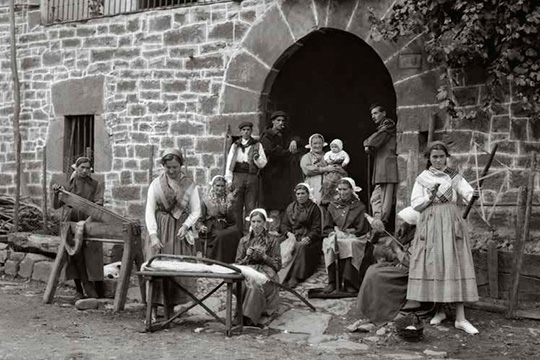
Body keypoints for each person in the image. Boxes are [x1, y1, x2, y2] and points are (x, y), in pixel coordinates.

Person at [407, 141, 479, 335]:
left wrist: (473, 194)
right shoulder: (423, 179)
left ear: (446, 157)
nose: (438, 160)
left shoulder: (454, 176)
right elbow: (415, 204)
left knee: (455, 263)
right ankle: (439, 310)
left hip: (451, 224)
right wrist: (429, 198)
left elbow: (467, 192)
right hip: (430, 224)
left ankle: (460, 318)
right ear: (429, 159)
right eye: (434, 157)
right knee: (436, 264)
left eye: (441, 156)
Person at [145, 148, 201, 316]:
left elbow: (196, 210)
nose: (171, 171)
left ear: (181, 166)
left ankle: (171, 311)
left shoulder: (189, 185)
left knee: (176, 269)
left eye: (175, 167)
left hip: (179, 233)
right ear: (163, 166)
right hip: (161, 231)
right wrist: (153, 235)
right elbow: (149, 210)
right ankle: (152, 310)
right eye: (168, 167)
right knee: (156, 269)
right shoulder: (156, 184)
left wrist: (186, 225)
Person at [52, 156, 104, 299]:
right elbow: (56, 206)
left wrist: (87, 221)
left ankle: (97, 288)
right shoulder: (69, 185)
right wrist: (56, 194)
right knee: (74, 256)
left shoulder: (96, 184)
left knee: (92, 256)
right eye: (82, 167)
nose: (85, 170)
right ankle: (79, 289)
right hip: (72, 223)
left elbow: (99, 204)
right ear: (77, 168)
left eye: (88, 168)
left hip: (90, 223)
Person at [356, 207, 418, 325]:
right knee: (372, 269)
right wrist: (387, 251)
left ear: (410, 224)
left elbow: (411, 262)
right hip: (399, 266)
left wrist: (396, 249)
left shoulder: (416, 239)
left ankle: (381, 311)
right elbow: (393, 254)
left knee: (375, 274)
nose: (399, 223)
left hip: (407, 274)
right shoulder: (403, 233)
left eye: (402, 221)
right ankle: (370, 308)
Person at [322, 178, 375, 293]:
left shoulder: (359, 206)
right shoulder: (332, 205)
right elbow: (327, 226)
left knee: (351, 245)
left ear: (351, 190)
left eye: (345, 189)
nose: (342, 192)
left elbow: (361, 228)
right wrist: (333, 232)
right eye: (340, 189)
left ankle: (349, 282)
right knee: (330, 243)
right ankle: (333, 282)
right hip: (337, 235)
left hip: (354, 237)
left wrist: (351, 232)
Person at [235, 209, 281, 326]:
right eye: (253, 221)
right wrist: (247, 257)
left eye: (259, 222)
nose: (256, 225)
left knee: (255, 284)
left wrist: (265, 256)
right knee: (242, 283)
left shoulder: (273, 240)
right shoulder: (244, 241)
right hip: (249, 270)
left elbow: (277, 265)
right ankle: (243, 315)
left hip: (267, 272)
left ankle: (247, 318)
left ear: (264, 223)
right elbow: (238, 264)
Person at [260, 111, 303, 229]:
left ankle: (280, 228)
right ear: (273, 121)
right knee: (273, 204)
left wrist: (294, 141)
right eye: (278, 120)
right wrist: (288, 152)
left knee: (283, 202)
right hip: (271, 174)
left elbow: (298, 138)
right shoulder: (267, 136)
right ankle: (271, 229)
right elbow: (272, 152)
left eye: (283, 121)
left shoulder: (285, 134)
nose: (281, 123)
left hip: (284, 174)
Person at [225, 121, 267, 232]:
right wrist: (229, 180)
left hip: (251, 176)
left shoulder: (257, 145)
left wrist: (257, 158)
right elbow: (230, 163)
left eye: (248, 130)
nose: (246, 132)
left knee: (251, 204)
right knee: (236, 204)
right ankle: (237, 230)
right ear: (240, 132)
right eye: (244, 130)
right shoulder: (235, 145)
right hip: (238, 176)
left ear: (251, 131)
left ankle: (250, 230)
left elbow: (263, 164)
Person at [279, 183, 322, 288]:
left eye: (303, 193)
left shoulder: (314, 208)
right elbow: (284, 225)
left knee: (300, 246)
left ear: (308, 194)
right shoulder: (291, 207)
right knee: (276, 243)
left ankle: (295, 275)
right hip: (293, 236)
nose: (300, 196)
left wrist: (309, 237)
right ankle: (280, 275)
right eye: (298, 194)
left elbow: (317, 228)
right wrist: (289, 234)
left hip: (308, 238)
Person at [363, 104, 398, 229]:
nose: (373, 116)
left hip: (388, 167)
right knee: (375, 198)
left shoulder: (388, 125)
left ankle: (381, 223)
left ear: (384, 113)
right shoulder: (382, 128)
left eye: (376, 113)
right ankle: (378, 222)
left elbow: (372, 142)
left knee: (385, 199)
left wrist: (366, 144)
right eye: (372, 114)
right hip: (381, 168)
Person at [198, 175, 242, 264]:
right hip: (211, 227)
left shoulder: (227, 200)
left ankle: (231, 261)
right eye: (217, 185)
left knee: (236, 232)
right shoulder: (206, 201)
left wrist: (230, 208)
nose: (220, 188)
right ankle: (216, 261)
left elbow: (232, 221)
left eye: (222, 186)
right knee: (220, 235)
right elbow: (199, 219)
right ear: (213, 186)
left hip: (224, 225)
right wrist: (201, 226)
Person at [300, 133, 339, 205]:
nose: (317, 146)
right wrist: (325, 169)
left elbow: (336, 167)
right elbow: (307, 170)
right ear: (310, 144)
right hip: (313, 184)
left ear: (323, 144)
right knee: (314, 205)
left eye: (319, 143)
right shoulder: (306, 157)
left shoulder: (329, 155)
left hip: (328, 185)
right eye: (315, 143)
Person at [321, 139, 349, 204]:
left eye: (336, 147)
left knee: (339, 184)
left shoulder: (342, 153)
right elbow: (326, 157)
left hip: (339, 168)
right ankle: (327, 199)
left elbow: (347, 158)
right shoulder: (329, 153)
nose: (334, 149)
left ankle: (338, 199)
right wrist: (328, 161)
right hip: (330, 169)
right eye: (332, 147)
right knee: (327, 183)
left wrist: (344, 163)